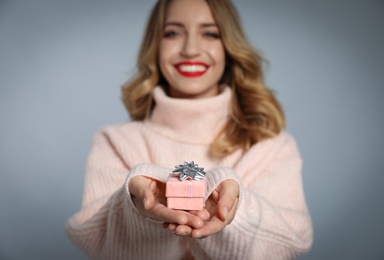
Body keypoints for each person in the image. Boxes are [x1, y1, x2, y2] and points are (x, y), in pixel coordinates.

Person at [66, 0, 313, 259]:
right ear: (155, 46)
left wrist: (236, 209)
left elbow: (291, 242)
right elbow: (93, 238)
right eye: (173, 32)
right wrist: (138, 207)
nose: (191, 49)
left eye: (210, 33)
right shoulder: (114, 143)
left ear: (229, 48)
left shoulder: (271, 146)